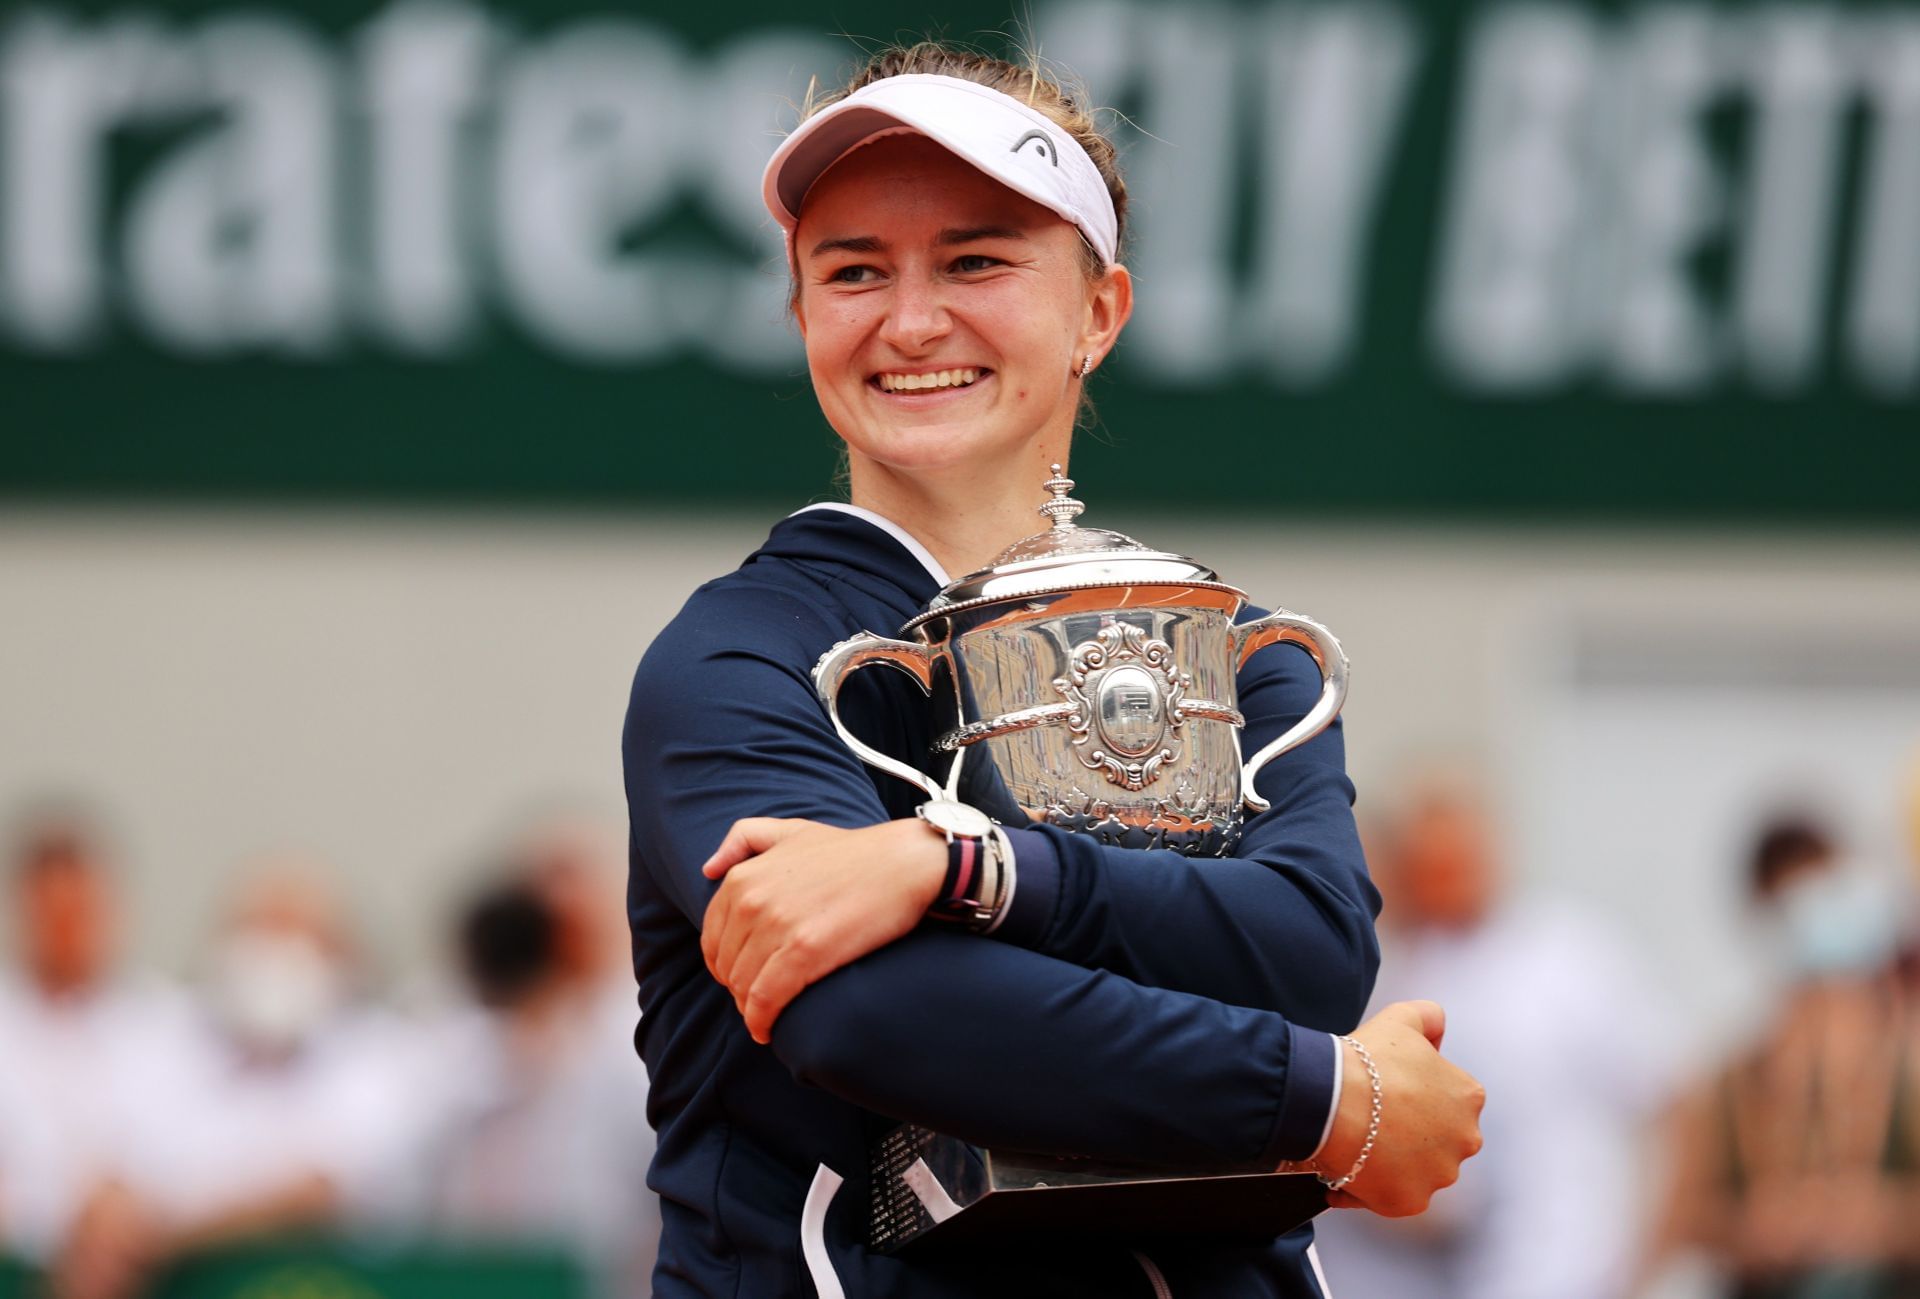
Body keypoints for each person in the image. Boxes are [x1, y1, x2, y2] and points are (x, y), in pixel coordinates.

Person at [622, 42, 1484, 1298]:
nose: (911, 320)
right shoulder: (737, 659)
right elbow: (872, 1016)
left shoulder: (1235, 656)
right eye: (853, 271)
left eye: (976, 260)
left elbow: (1307, 953)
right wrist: (1327, 1098)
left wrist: (959, 870)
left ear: (1098, 312)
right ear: (804, 317)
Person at [1312, 776, 1679, 1299]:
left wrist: (1647, 1266)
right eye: (1427, 859)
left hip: (1582, 1273)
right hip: (1457, 1276)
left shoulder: (1572, 951)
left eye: (1458, 849)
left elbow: (1673, 1104)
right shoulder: (1397, 974)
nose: (1445, 869)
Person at [1645, 815, 1920, 1297]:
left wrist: (1874, 1219)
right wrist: (1750, 1229)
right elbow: (1679, 1216)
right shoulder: (1733, 1074)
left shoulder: (1904, 1058)